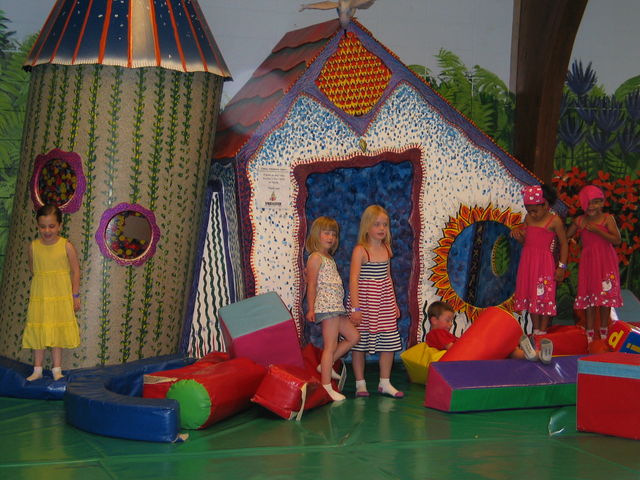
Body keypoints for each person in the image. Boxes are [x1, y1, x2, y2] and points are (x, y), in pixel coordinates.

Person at [349, 205, 404, 398]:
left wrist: (394, 303)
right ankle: (360, 383)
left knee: (389, 341)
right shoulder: (361, 250)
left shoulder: (386, 249)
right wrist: (355, 308)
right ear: (367, 226)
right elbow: (354, 279)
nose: (382, 228)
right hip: (364, 303)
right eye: (377, 224)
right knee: (359, 343)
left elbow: (388, 277)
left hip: (383, 302)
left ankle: (385, 382)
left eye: (385, 224)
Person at [22, 204, 81, 381]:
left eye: (51, 226)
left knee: (57, 331)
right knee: (39, 329)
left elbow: (75, 271)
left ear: (60, 226)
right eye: (42, 226)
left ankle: (57, 369)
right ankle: (37, 369)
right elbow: (33, 269)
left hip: (60, 296)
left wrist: (75, 295)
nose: (47, 230)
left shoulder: (66, 246)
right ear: (37, 226)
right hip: (40, 295)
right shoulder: (33, 246)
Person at [305, 216, 360, 401]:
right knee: (330, 346)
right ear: (317, 234)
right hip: (326, 307)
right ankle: (326, 386)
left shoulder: (329, 258)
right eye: (326, 233)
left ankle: (325, 366)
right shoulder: (315, 257)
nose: (330, 237)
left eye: (333, 234)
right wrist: (311, 308)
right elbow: (311, 285)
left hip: (336, 307)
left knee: (354, 336)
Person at [567, 185, 622, 343]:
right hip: (589, 262)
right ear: (583, 204)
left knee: (605, 297)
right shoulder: (580, 220)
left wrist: (598, 231)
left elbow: (617, 240)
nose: (592, 206)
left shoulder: (607, 219)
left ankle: (604, 330)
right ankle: (589, 332)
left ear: (602, 203)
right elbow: (565, 235)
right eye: (589, 203)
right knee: (590, 297)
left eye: (596, 202)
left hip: (606, 261)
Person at [512, 184, 568, 336]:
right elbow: (525, 240)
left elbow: (564, 244)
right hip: (528, 263)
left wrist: (561, 267)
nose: (532, 214)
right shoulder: (528, 218)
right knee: (532, 295)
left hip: (544, 264)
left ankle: (543, 331)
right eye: (529, 211)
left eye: (535, 211)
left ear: (546, 205)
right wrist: (518, 235)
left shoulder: (555, 221)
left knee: (544, 295)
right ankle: (536, 330)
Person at [425, 301, 553, 363]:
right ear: (434, 320)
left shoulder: (442, 333)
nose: (450, 324)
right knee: (506, 348)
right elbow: (452, 349)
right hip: (468, 357)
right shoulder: (437, 333)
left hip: (470, 355)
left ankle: (535, 354)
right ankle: (533, 353)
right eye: (447, 320)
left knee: (510, 350)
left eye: (451, 321)